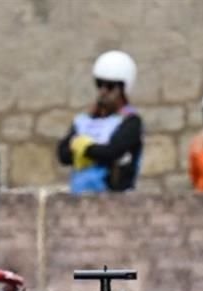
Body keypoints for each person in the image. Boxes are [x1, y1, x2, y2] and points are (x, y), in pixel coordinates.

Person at [57, 51, 143, 193]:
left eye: (110, 86)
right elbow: (63, 154)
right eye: (99, 84)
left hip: (114, 198)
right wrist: (89, 150)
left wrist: (84, 148)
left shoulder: (130, 121)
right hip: (79, 195)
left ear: (123, 89)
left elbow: (113, 151)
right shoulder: (83, 120)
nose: (103, 91)